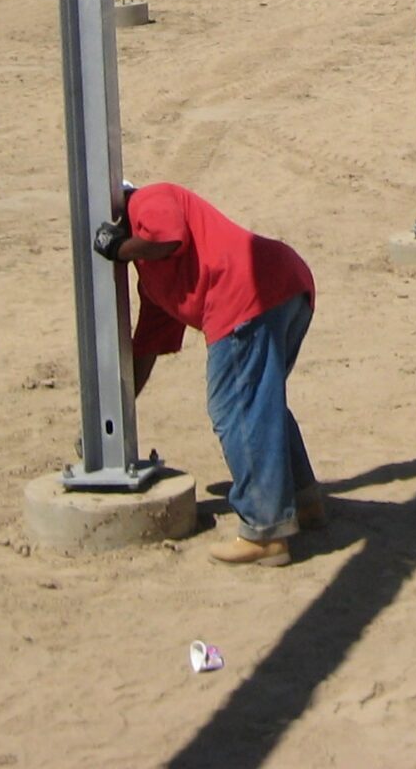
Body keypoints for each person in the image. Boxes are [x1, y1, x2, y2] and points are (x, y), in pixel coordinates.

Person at [93, 182, 325, 568]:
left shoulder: (148, 198)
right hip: (283, 286)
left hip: (246, 294)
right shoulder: (153, 284)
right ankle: (304, 500)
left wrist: (118, 248)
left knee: (237, 409)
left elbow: (168, 237)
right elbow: (146, 350)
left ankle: (266, 531)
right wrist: (109, 418)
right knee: (261, 403)